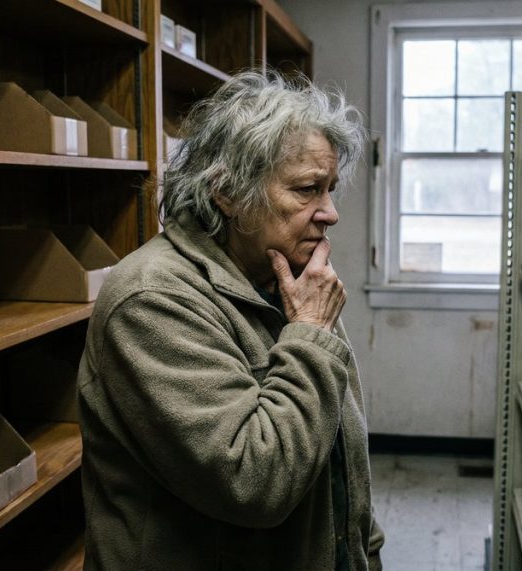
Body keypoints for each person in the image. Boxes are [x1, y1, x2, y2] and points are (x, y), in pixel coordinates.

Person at [77, 71, 383, 570]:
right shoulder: (153, 299)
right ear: (228, 192)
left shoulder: (292, 278)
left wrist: (363, 552)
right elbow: (255, 483)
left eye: (329, 189)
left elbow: (341, 449)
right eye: (307, 190)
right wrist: (309, 335)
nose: (329, 212)